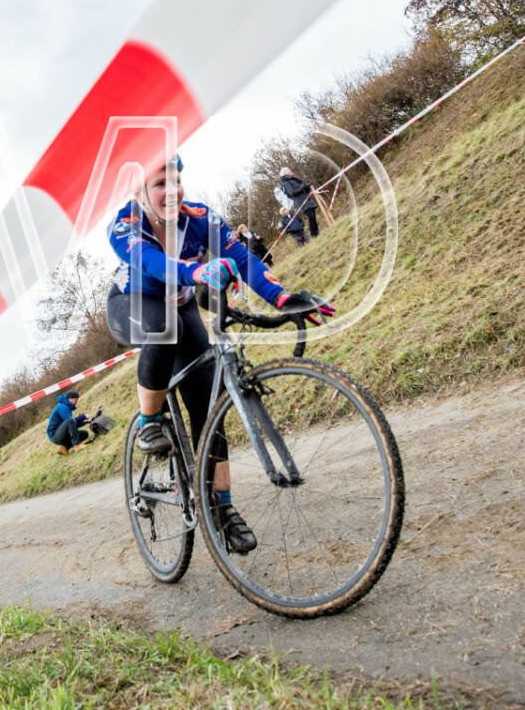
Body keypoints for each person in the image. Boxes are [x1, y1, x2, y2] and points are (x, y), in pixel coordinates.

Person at [106, 155, 334, 555]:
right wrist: (195, 273)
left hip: (181, 304)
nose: (173, 190)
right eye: (160, 184)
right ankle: (150, 421)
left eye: (177, 180)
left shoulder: (199, 217)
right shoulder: (125, 224)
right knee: (161, 330)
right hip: (134, 304)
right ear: (139, 192)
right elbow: (149, 261)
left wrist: (281, 297)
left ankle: (222, 508)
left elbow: (244, 258)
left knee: (209, 407)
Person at [277, 168, 319, 239]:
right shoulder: (286, 183)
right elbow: (292, 193)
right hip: (301, 202)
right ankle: (314, 234)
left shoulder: (293, 179)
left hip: (306, 198)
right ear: (285, 173)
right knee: (310, 216)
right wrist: (302, 187)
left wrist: (306, 187)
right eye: (288, 171)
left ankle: (316, 233)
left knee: (313, 215)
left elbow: (301, 187)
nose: (290, 171)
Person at [45, 388, 91, 454]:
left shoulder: (66, 406)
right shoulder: (62, 407)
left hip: (61, 433)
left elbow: (72, 426)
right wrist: (83, 416)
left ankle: (64, 448)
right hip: (55, 435)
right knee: (70, 420)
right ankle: (77, 446)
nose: (76, 402)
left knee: (84, 434)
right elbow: (70, 421)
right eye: (76, 400)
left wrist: (84, 422)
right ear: (70, 399)